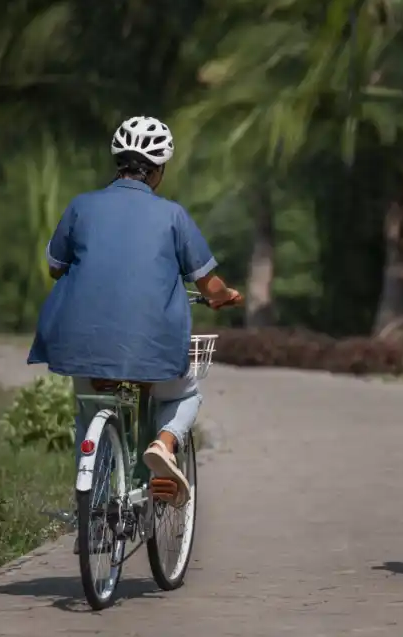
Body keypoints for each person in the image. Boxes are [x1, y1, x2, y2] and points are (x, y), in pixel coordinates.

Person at [28, 116, 243, 514]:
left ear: (118, 162)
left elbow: (55, 266)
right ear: (158, 170)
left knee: (89, 410)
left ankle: (89, 508)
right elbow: (210, 286)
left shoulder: (81, 207)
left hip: (82, 344)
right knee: (185, 394)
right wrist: (226, 295)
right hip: (152, 349)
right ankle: (163, 444)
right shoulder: (173, 216)